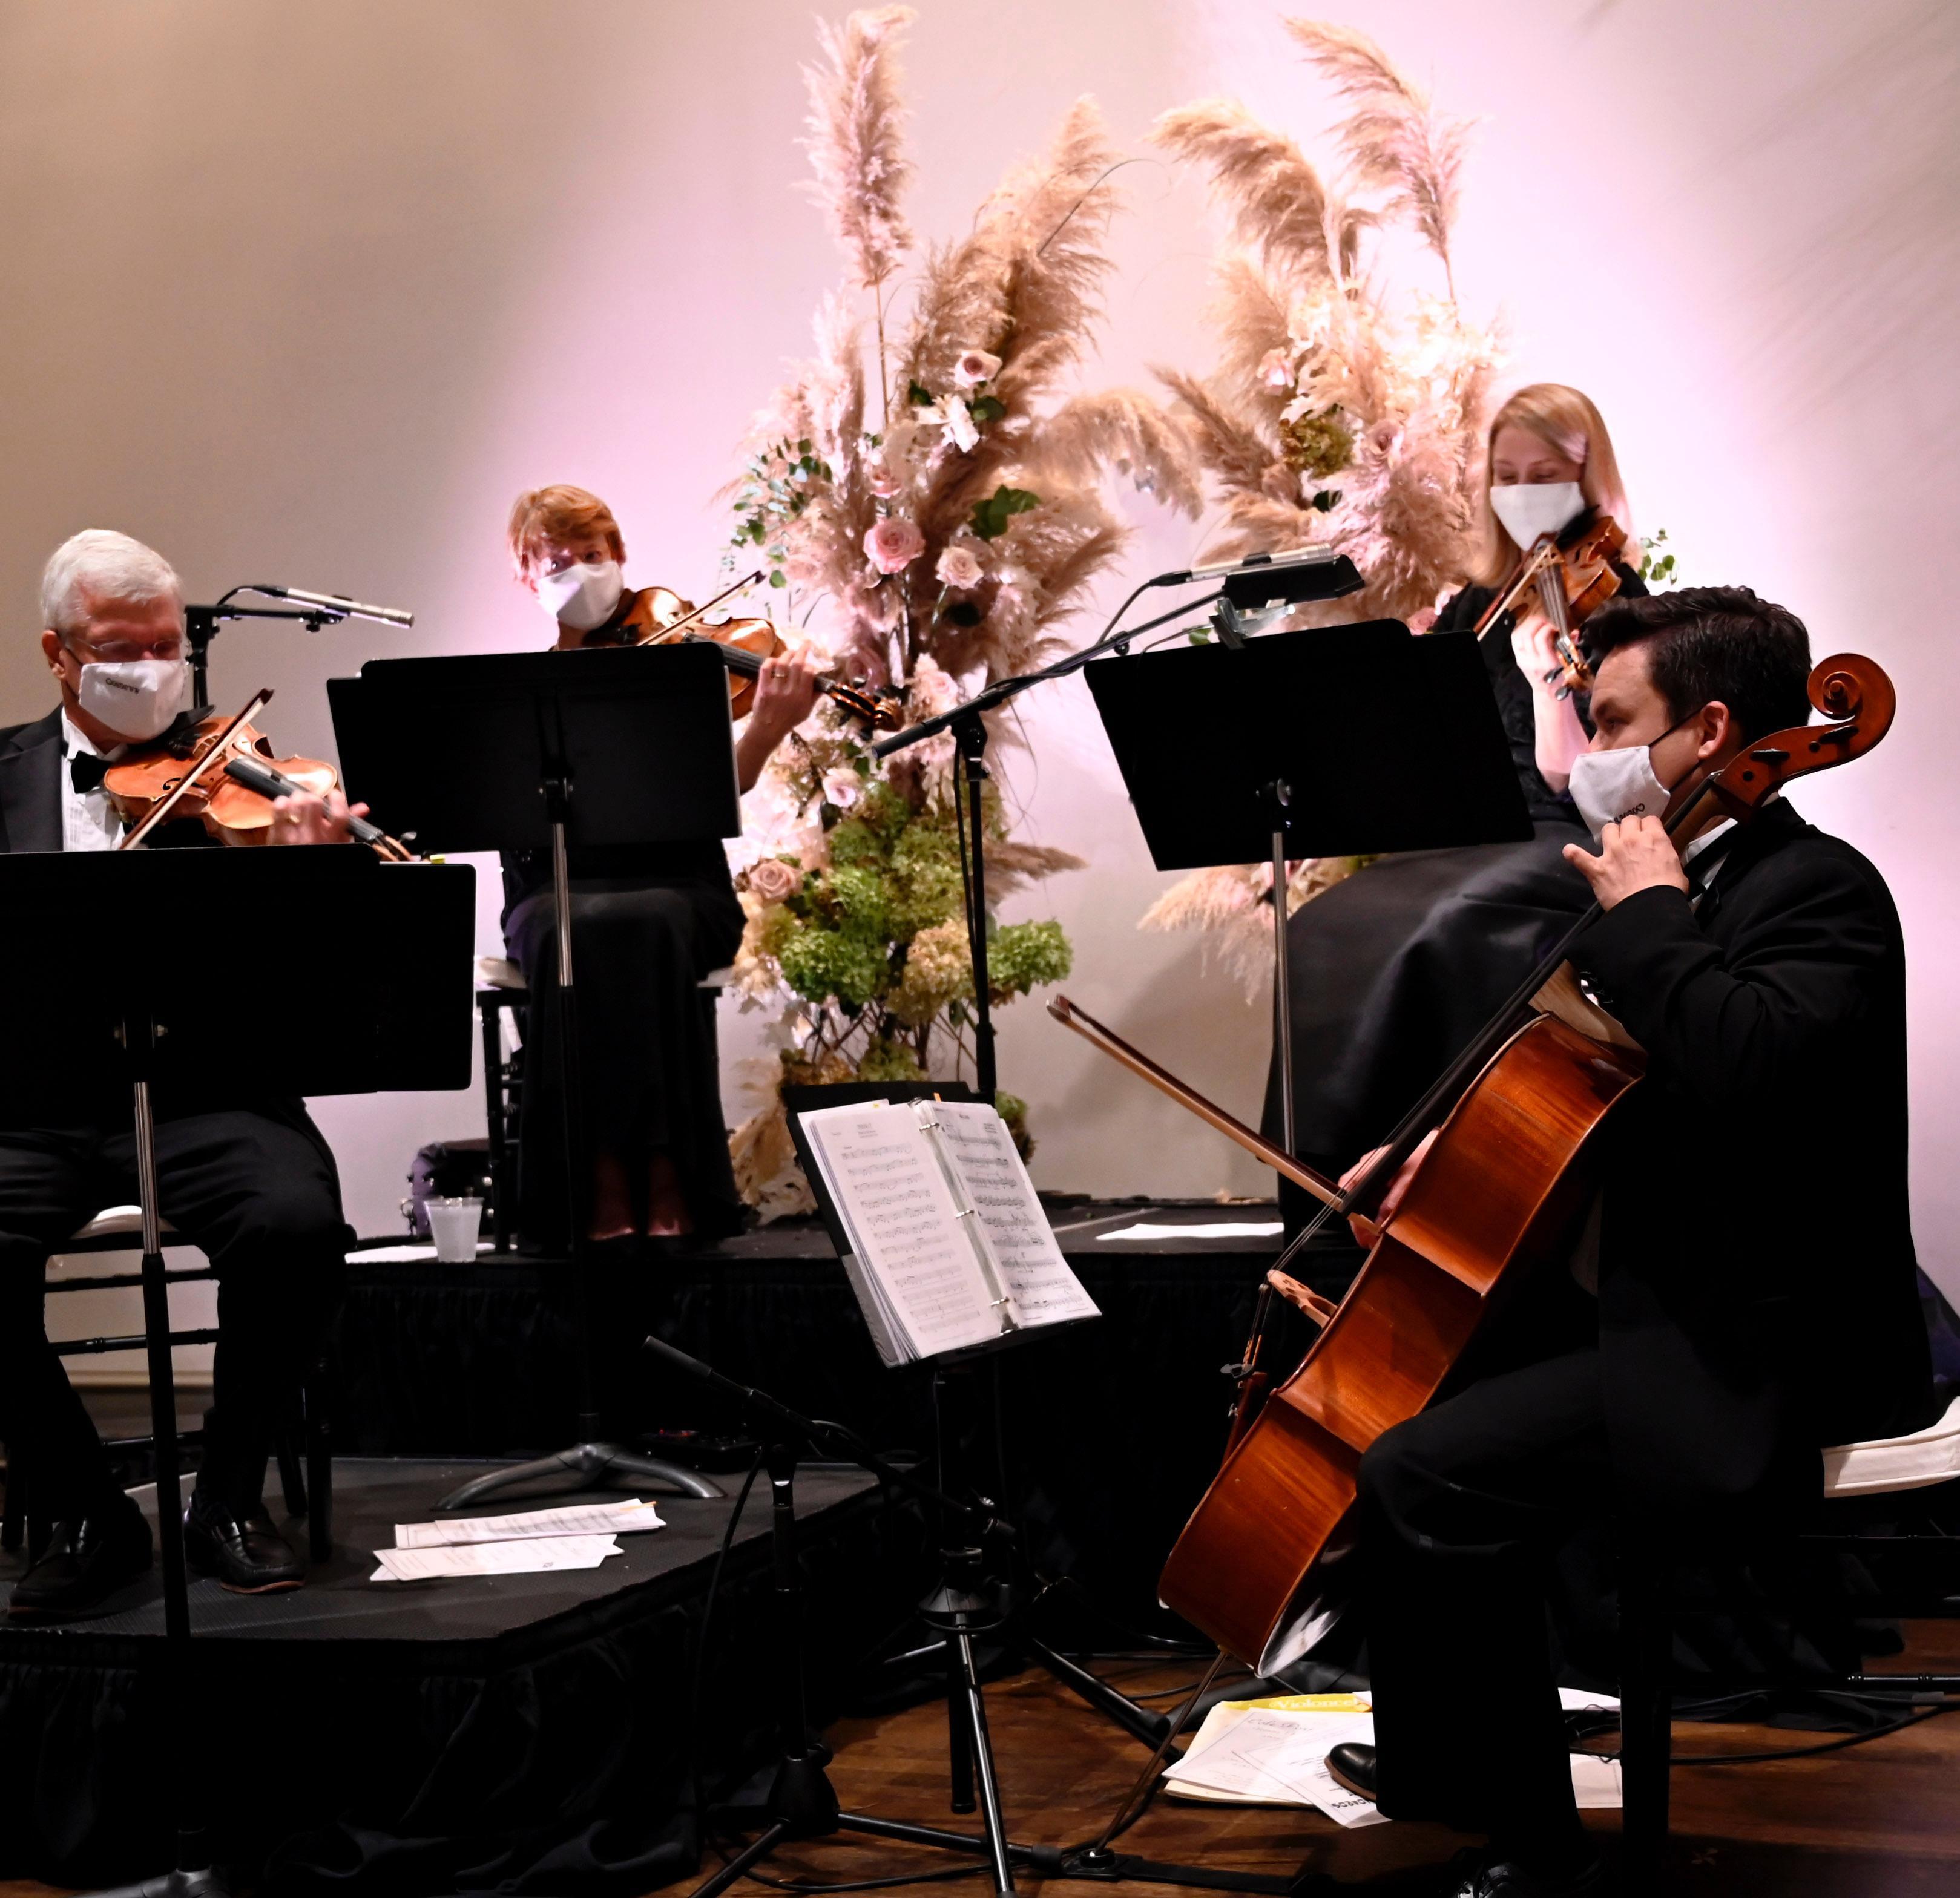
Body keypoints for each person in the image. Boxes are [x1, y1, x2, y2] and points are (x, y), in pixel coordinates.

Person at [1323, 587, 1935, 1895]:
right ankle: (1456, 1756)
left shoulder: (1815, 889)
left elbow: (1747, 1066)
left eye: (1608, 722)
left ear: (1707, 731)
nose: (1583, 757)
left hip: (1764, 1339)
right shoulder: (1651, 891)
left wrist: (1650, 915)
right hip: (1660, 1298)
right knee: (1403, 1413)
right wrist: (1446, 1154)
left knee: (1428, 1475)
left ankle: (1529, 1845)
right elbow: (1592, 1103)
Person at [1, 530, 364, 1615]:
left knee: (296, 1223)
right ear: (60, 655)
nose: (154, 668)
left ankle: (229, 1498)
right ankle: (83, 1507)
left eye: (166, 644)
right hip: (34, 1107)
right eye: (123, 648)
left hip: (207, 1094)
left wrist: (309, 881)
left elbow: (318, 984)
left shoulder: (239, 776)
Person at [1263, 385, 1646, 1203]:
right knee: (1320, 922)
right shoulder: (1477, 605)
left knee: (1448, 921)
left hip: (1558, 831)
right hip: (1469, 830)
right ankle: (1321, 1183)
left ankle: (1429, 1176)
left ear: (1588, 477)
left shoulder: (1621, 611)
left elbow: (1578, 781)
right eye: (1506, 475)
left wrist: (1547, 688)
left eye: (1545, 474)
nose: (1523, 492)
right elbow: (1425, 748)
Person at [503, 485, 820, 1244]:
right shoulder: (520, 694)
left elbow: (718, 790)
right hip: (553, 889)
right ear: (525, 577)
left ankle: (666, 1173)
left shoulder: (676, 665)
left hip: (680, 888)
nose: (580, 572)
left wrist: (767, 728)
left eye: (593, 554)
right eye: (557, 562)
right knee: (575, 926)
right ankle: (605, 1177)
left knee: (641, 921)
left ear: (620, 556)